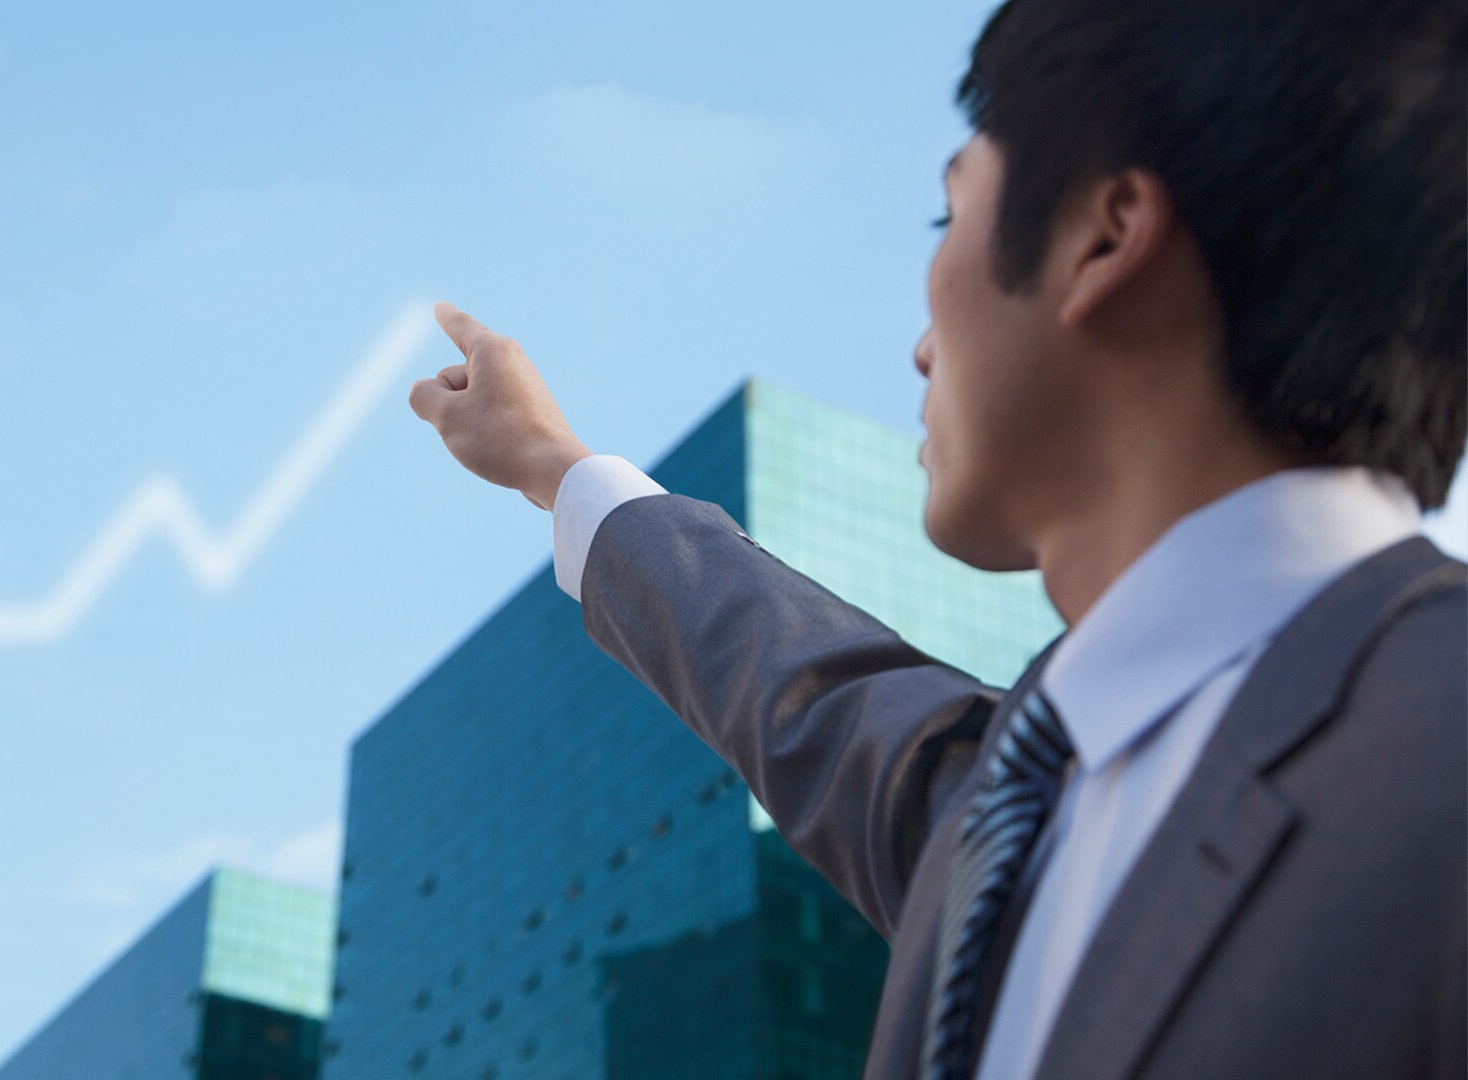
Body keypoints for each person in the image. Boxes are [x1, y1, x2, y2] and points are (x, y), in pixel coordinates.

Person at [404, 1, 1465, 1078]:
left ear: (1103, 237)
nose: (919, 348)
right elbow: (804, 693)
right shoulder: (1014, 804)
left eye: (946, 218)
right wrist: (554, 468)